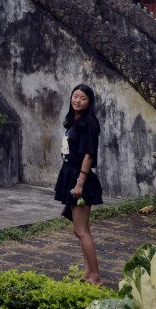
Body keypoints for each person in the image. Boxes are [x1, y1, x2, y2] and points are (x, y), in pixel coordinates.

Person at [54, 83, 103, 284]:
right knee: (82, 230)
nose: (78, 100)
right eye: (75, 96)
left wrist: (80, 183)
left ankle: (96, 276)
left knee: (81, 231)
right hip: (70, 173)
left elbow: (89, 155)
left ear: (89, 102)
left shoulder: (89, 123)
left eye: (83, 98)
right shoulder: (74, 120)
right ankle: (87, 272)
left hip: (80, 178)